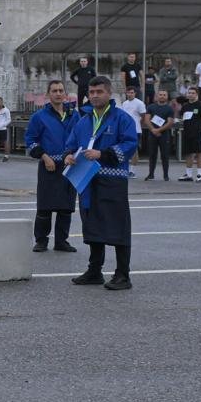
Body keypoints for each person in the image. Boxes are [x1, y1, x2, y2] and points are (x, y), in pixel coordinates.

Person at [65, 76, 139, 291]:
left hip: (112, 180)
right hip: (87, 181)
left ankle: (123, 275)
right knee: (92, 225)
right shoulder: (83, 120)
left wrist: (102, 153)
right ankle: (95, 271)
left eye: (99, 91)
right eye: (92, 92)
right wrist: (69, 155)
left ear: (109, 93)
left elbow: (130, 144)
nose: (95, 95)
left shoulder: (121, 119)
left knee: (118, 226)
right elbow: (71, 144)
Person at [24, 79, 78, 253]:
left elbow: (81, 137)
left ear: (65, 94)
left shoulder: (74, 115)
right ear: (48, 94)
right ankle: (41, 240)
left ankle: (62, 241)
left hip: (70, 166)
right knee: (45, 206)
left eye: (61, 90)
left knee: (66, 206)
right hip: (48, 166)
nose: (58, 93)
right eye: (54, 90)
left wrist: (75, 154)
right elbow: (30, 140)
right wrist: (44, 156)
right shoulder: (39, 117)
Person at [175, 87, 201, 182]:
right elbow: (183, 118)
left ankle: (199, 175)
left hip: (198, 133)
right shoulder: (185, 106)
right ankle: (188, 174)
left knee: (198, 153)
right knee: (188, 153)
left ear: (196, 94)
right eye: (189, 93)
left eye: (193, 93)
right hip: (187, 132)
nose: (190, 94)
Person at [143, 89, 176, 181]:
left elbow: (170, 122)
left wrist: (158, 130)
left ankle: (166, 175)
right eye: (160, 94)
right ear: (157, 96)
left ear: (167, 97)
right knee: (152, 155)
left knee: (165, 155)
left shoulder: (169, 109)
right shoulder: (151, 107)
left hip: (164, 134)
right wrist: (153, 130)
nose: (162, 96)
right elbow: (146, 119)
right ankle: (151, 174)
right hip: (152, 134)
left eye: (164, 95)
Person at [119, 88, 146, 158]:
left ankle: (133, 167)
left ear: (135, 93)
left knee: (134, 149)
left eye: (131, 93)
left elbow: (143, 115)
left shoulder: (139, 103)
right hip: (125, 129)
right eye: (128, 93)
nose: (130, 94)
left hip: (136, 129)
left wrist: (140, 124)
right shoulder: (124, 103)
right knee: (125, 148)